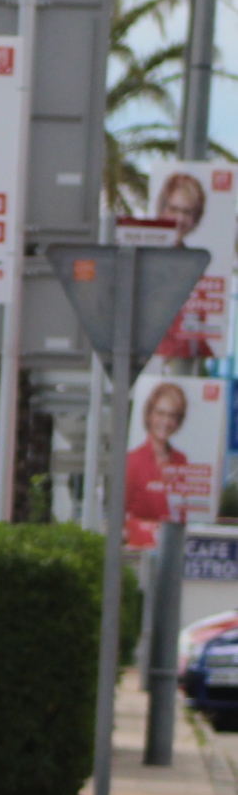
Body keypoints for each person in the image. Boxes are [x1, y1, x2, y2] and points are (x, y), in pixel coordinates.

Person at [156, 172, 218, 359]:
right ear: (162, 209)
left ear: (196, 217)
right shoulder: (143, 259)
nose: (180, 219)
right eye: (174, 209)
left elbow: (197, 331)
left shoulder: (198, 266)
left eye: (187, 212)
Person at [124, 380, 190, 547]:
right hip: (140, 550)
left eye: (172, 415)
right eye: (160, 413)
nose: (166, 422)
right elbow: (120, 512)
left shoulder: (182, 461)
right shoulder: (133, 461)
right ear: (149, 415)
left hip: (174, 549)